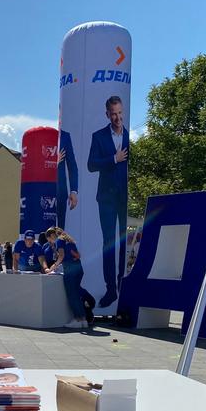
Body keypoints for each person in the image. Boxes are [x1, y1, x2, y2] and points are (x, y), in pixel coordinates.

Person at [88, 95, 129, 308]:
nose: (118, 117)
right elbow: (91, 165)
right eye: (114, 113)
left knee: (123, 242)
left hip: (124, 196)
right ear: (107, 114)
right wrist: (113, 159)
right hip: (106, 198)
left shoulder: (129, 136)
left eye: (120, 113)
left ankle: (123, 285)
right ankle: (110, 289)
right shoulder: (99, 136)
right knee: (108, 244)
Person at [46, 230, 94, 327]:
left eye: (49, 240)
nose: (50, 242)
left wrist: (53, 267)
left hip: (70, 271)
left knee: (72, 296)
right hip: (79, 269)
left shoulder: (59, 241)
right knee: (76, 294)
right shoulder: (69, 240)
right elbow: (78, 255)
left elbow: (61, 256)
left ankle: (78, 319)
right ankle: (83, 320)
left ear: (52, 235)